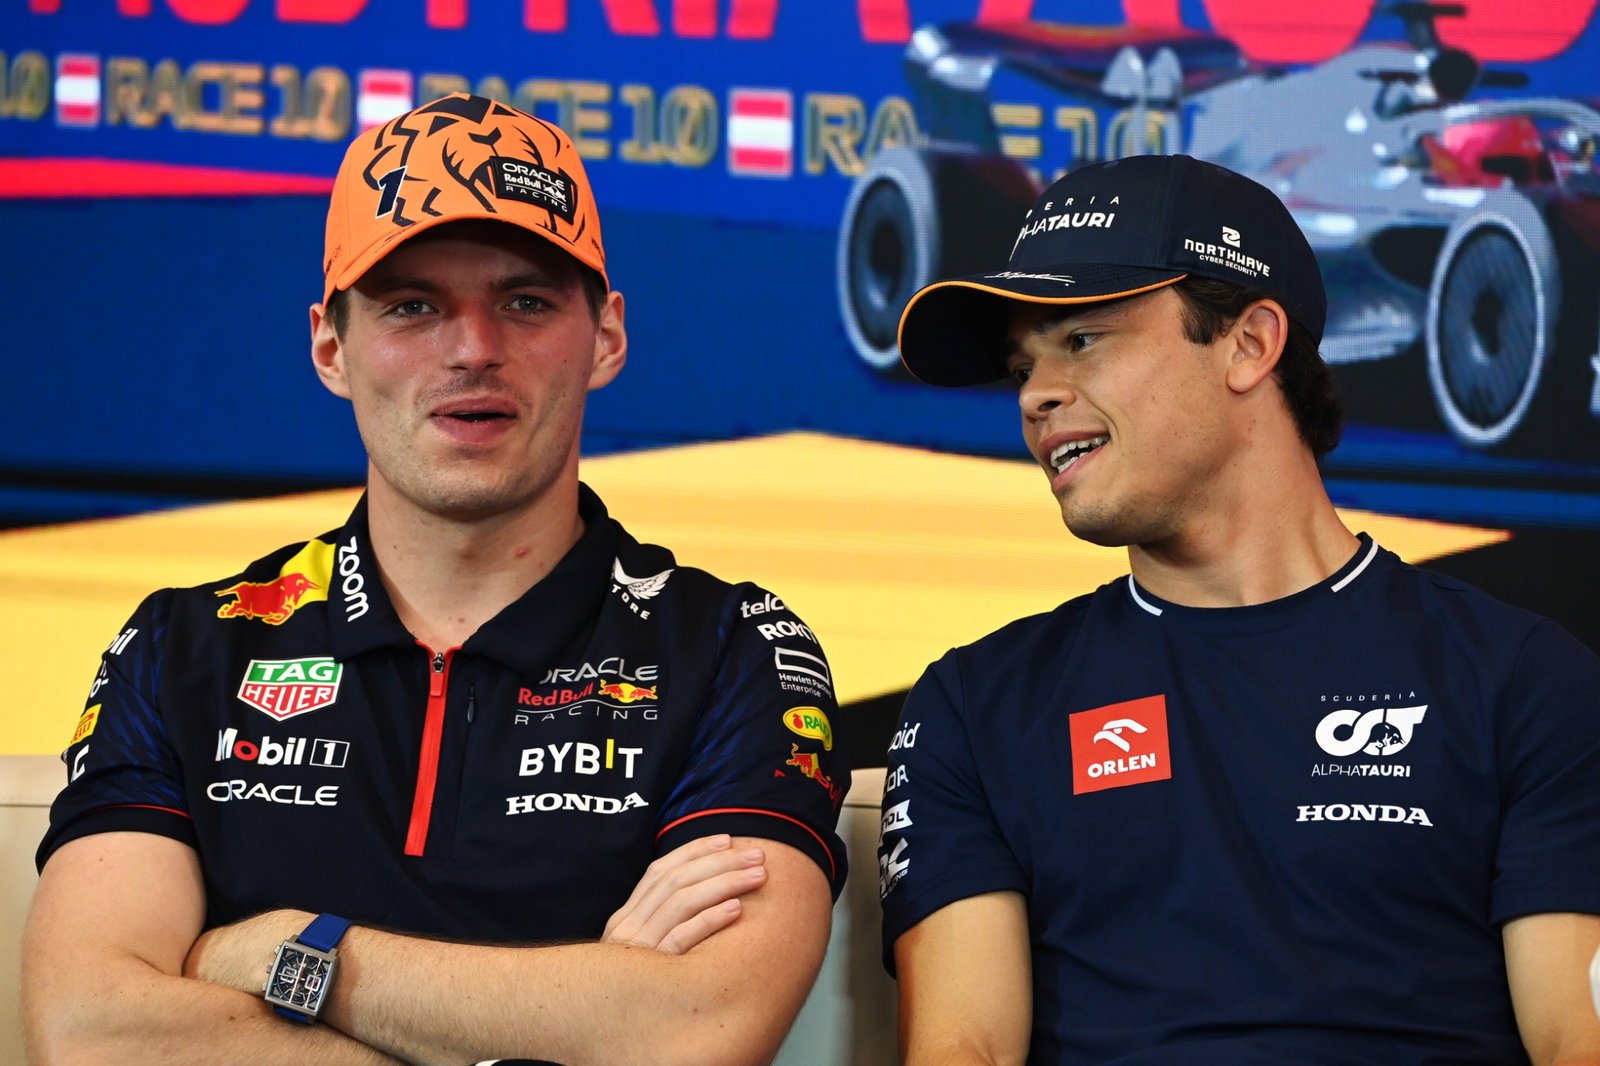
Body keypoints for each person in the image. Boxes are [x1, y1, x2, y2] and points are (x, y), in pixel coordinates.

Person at [24, 93, 849, 1066]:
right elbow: (92, 1031)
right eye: (411, 306)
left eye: (526, 301)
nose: (472, 349)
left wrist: (287, 951)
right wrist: (577, 1017)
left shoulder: (732, 646)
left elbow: (699, 1026)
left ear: (606, 337)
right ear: (331, 347)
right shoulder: (188, 647)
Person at [876, 153, 1600, 1065]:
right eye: (1023, 365)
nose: (1035, 395)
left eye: (1082, 339)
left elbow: (1579, 1041)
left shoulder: (1526, 683)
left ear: (1251, 344)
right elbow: (963, 1048)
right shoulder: (975, 706)